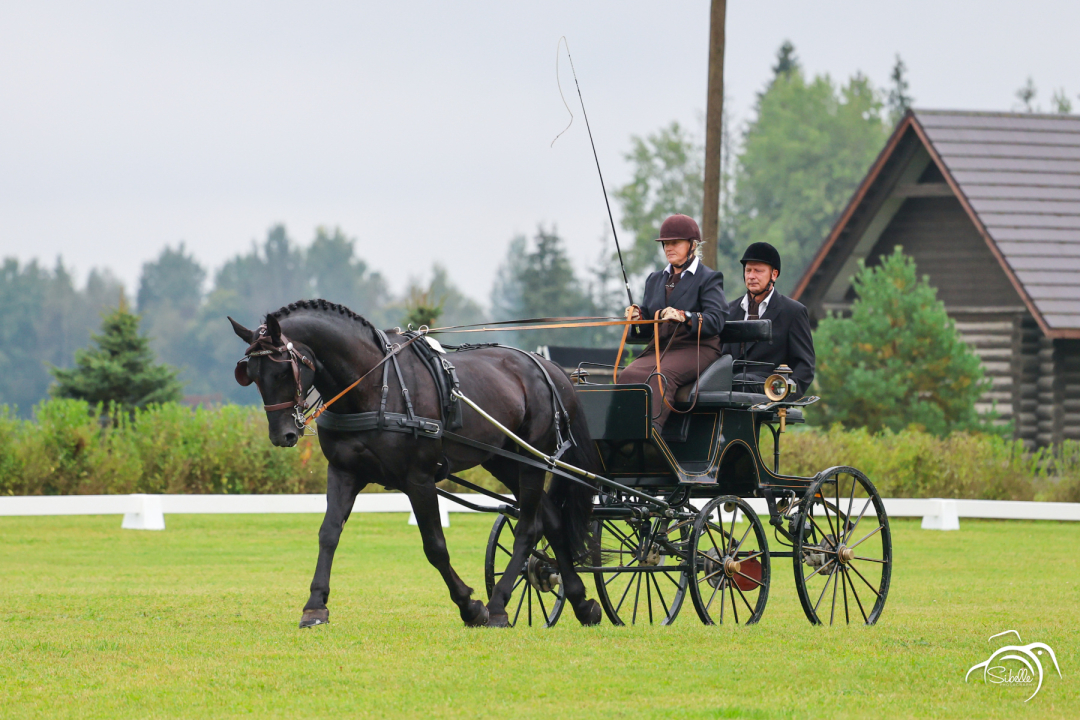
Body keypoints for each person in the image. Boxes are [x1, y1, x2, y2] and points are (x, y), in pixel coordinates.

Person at [617, 215, 726, 430]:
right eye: (665, 243)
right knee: (628, 374)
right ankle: (620, 431)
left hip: (696, 347)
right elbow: (647, 326)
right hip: (661, 348)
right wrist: (638, 318)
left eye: (675, 242)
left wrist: (685, 316)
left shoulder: (709, 278)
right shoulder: (655, 279)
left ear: (692, 245)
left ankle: (650, 434)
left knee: (659, 377)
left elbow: (717, 319)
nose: (669, 248)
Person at [722, 242, 815, 397]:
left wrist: (786, 393)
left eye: (758, 271)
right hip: (727, 385)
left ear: (774, 274)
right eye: (748, 270)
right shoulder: (728, 311)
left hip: (768, 386)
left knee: (740, 382)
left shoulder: (793, 312)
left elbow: (805, 365)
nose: (751, 276)